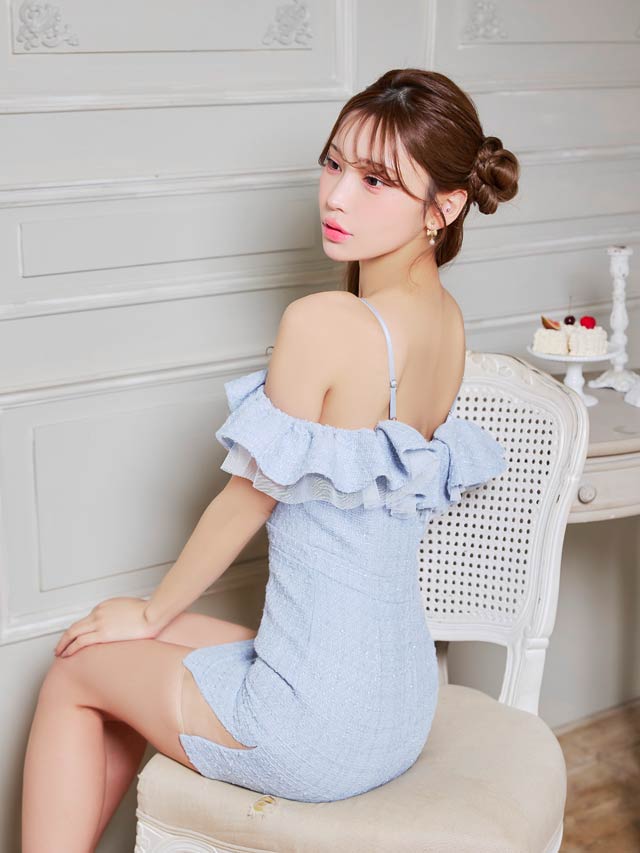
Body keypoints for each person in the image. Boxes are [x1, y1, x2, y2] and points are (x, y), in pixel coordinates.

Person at [21, 67, 519, 850]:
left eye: (375, 180)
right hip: (399, 702)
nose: (337, 196)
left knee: (76, 672)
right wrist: (150, 621)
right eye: (333, 164)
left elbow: (246, 498)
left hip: (312, 725)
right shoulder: (447, 320)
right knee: (124, 647)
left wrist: (148, 612)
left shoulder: (325, 321)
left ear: (444, 206)